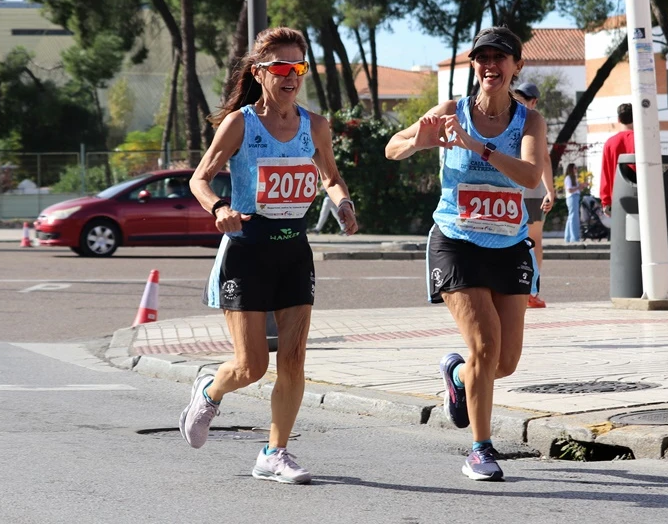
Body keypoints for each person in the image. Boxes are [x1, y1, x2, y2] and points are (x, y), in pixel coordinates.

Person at [182, 27, 359, 485]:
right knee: (251, 366)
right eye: (280, 68)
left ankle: (274, 453)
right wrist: (219, 208)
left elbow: (331, 176)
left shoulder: (315, 125)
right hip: (247, 250)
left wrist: (342, 202)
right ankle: (210, 388)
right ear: (259, 72)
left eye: (297, 68)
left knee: (295, 359)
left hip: (294, 250)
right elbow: (199, 179)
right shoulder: (240, 123)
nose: (290, 76)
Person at [385, 26, 548, 482]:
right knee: (484, 344)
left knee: (505, 362)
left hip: (509, 244)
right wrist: (422, 138)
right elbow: (392, 147)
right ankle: (480, 449)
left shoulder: (528, 121)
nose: (490, 66)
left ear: (517, 66)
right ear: (474, 66)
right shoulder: (450, 113)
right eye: (482, 58)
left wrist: (479, 146)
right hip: (456, 240)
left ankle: (458, 379)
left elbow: (531, 176)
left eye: (500, 58)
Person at [514, 82, 555, 308]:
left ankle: (511, 289)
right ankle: (531, 291)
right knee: (534, 242)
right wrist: (550, 189)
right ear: (535, 101)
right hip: (533, 190)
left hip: (510, 187)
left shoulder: (507, 117)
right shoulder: (534, 121)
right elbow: (545, 158)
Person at [599, 103, 635, 215]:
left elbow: (605, 174)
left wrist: (606, 202)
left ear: (618, 119)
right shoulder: (642, 140)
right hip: (641, 198)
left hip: (618, 200)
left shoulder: (609, 143)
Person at [563, 163, 582, 243]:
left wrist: (581, 187)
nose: (576, 169)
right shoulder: (568, 178)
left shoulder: (574, 178)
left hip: (575, 197)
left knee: (571, 217)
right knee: (574, 217)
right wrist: (579, 187)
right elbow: (569, 190)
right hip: (572, 198)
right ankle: (574, 238)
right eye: (575, 168)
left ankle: (568, 237)